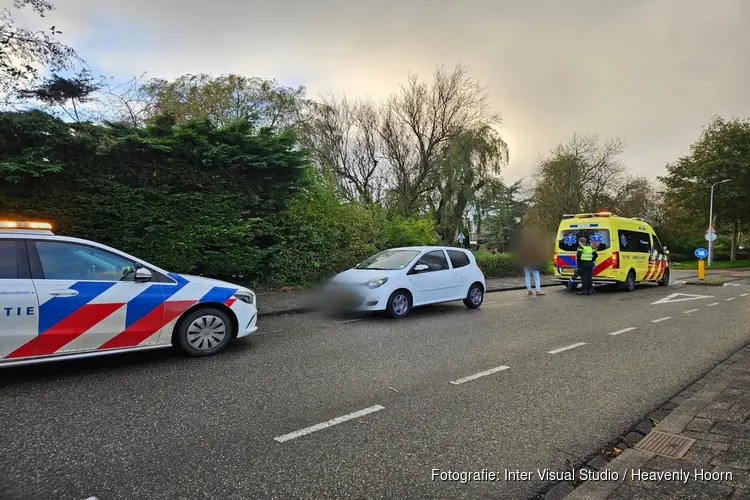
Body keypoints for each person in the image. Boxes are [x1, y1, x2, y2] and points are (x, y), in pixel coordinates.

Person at [518, 229, 546, 296]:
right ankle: (538, 291)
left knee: (527, 277)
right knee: (536, 278)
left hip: (526, 264)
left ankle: (529, 291)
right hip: (533, 264)